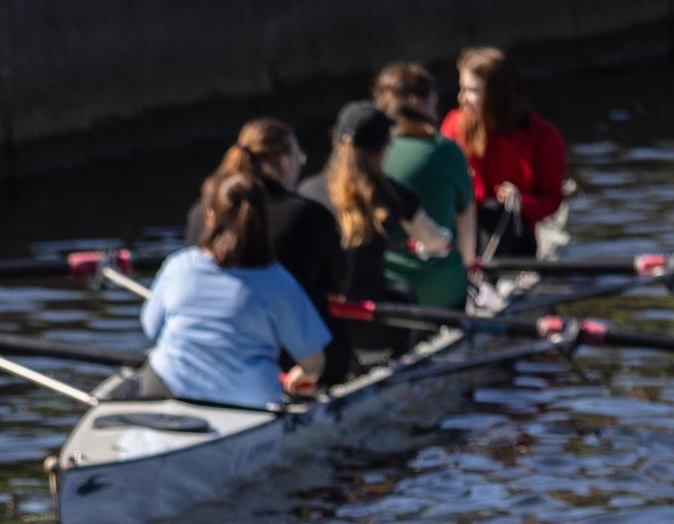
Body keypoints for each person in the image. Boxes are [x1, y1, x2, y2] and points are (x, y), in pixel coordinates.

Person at [128, 171, 332, 407]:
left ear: (210, 216)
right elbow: (314, 362)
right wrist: (302, 376)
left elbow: (150, 328)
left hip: (171, 384)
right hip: (249, 399)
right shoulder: (277, 281)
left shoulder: (178, 264)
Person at [181, 118, 349, 379]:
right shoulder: (310, 216)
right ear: (283, 162)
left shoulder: (198, 213)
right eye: (298, 158)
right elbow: (339, 286)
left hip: (209, 357)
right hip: (288, 360)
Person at [296, 101, 440, 359]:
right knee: (404, 293)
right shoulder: (389, 194)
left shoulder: (306, 191)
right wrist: (440, 245)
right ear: (382, 150)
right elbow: (435, 241)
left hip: (316, 329)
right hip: (366, 328)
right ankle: (395, 360)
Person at [441, 45, 569, 260]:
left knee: (495, 210)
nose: (461, 98)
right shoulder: (455, 126)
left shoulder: (545, 138)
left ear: (496, 95)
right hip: (464, 229)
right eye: (461, 88)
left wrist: (521, 202)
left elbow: (552, 200)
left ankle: (487, 280)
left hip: (514, 236)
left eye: (471, 91)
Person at [373, 62, 477, 311]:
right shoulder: (446, 151)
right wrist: (470, 269)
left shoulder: (361, 154)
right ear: (416, 101)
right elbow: (468, 245)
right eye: (433, 99)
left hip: (383, 294)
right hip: (442, 292)